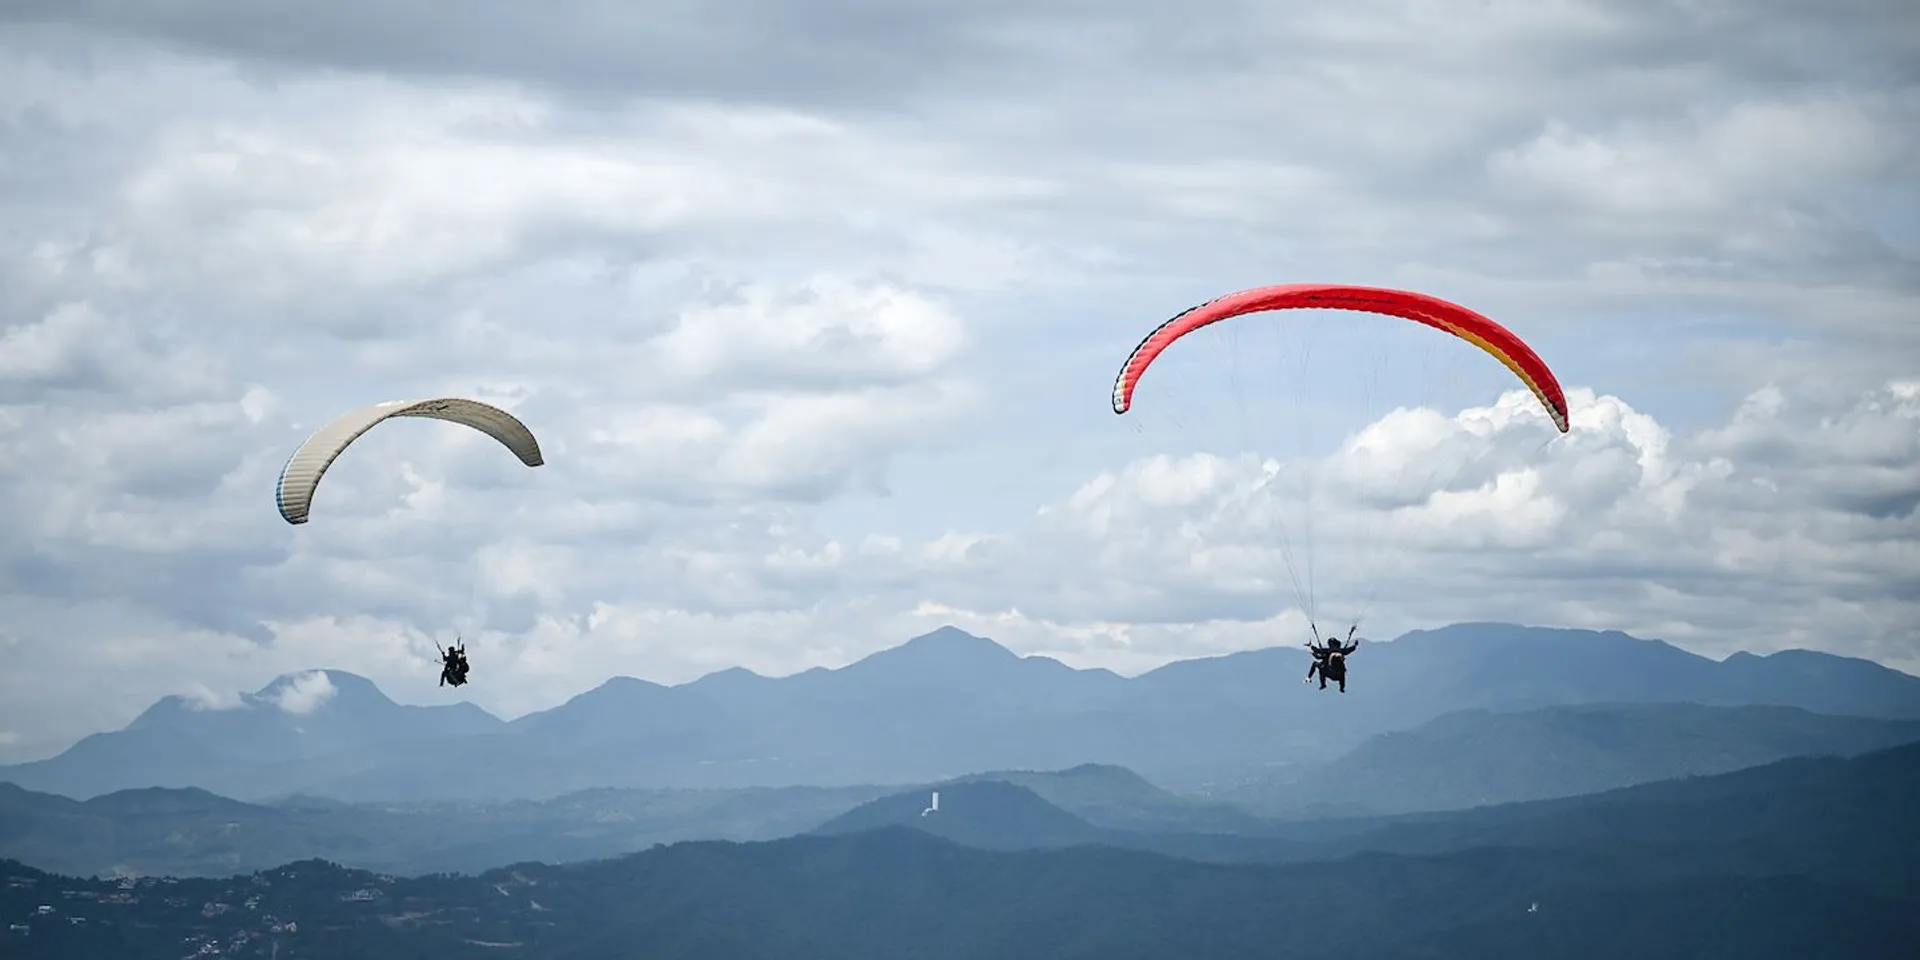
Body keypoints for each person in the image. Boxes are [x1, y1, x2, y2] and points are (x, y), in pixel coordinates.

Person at [1304, 625, 1360, 692]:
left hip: (1329, 672)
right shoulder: (1341, 651)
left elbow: (1318, 651)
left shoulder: (1328, 650)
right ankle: (1342, 688)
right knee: (1342, 673)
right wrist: (1355, 645)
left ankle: (1322, 684)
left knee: (1319, 668)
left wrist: (1311, 646)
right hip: (1338, 676)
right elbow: (1350, 649)